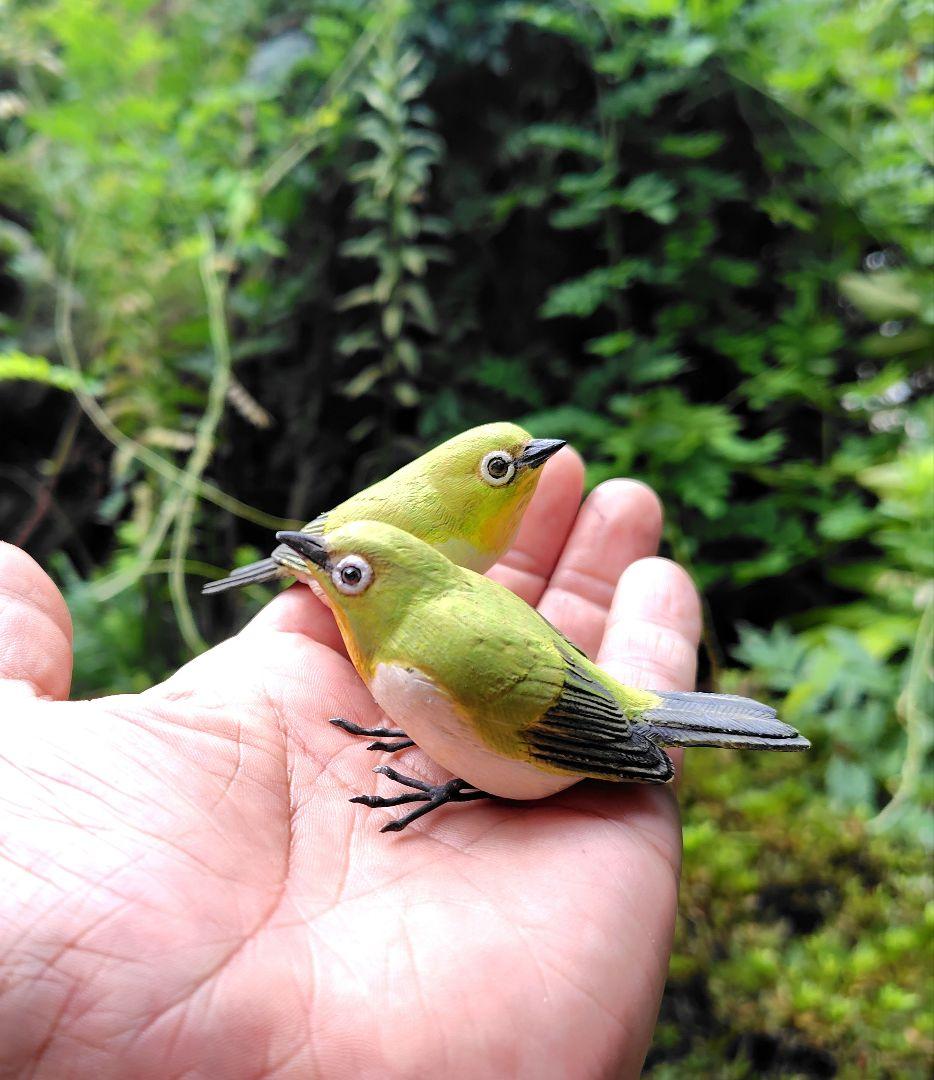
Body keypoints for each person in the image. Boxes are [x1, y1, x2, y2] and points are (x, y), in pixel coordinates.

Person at [0, 449, 701, 1078]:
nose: (326, 577)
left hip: (566, 733)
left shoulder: (410, 664)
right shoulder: (419, 630)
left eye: (350, 574)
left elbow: (537, 734)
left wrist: (461, 778)